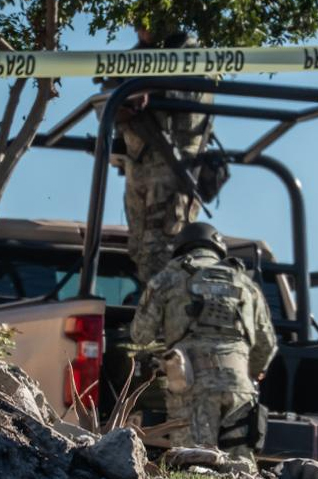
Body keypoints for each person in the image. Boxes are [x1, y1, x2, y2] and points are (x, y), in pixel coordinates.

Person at [130, 222, 277, 459]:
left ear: (181, 249)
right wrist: (254, 371)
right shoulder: (246, 284)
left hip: (191, 385)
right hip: (240, 388)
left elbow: (140, 334)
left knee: (194, 466)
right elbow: (267, 344)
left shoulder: (168, 277)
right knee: (241, 473)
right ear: (218, 249)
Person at [103, 22, 215, 283]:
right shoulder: (131, 58)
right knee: (140, 249)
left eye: (148, 18)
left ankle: (161, 313)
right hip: (139, 163)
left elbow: (194, 89)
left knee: (164, 251)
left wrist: (149, 91)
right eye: (137, 21)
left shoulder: (190, 51)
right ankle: (148, 312)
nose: (141, 27)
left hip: (174, 166)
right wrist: (121, 102)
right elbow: (106, 101)